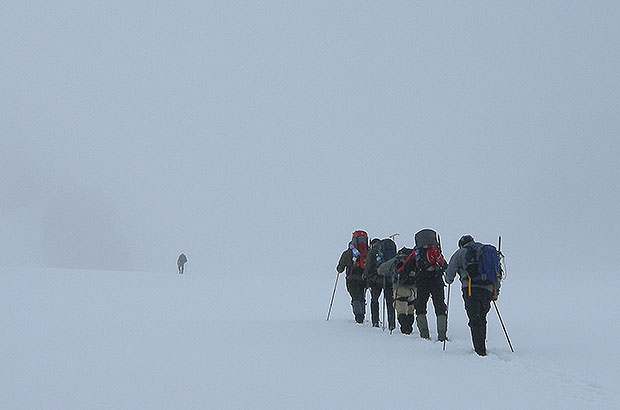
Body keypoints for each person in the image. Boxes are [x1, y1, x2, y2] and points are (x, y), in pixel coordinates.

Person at [445, 235, 499, 356]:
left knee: (474, 319)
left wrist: (448, 279)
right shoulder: (486, 252)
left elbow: (449, 274)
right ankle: (482, 346)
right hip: (488, 289)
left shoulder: (461, 253)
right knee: (482, 317)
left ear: (461, 244)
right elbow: (496, 273)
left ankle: (479, 350)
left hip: (470, 288)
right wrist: (496, 292)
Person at [398, 229, 448, 341]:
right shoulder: (436, 251)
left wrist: (400, 276)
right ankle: (442, 335)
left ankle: (424, 334)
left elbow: (405, 268)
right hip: (437, 281)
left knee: (420, 307)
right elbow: (445, 265)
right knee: (440, 306)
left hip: (422, 281)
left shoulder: (416, 253)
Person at [336, 231, 369, 324]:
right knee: (362, 296)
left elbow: (340, 268)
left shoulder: (348, 253)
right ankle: (362, 315)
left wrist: (339, 268)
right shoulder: (367, 252)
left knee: (355, 297)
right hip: (364, 278)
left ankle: (359, 316)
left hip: (351, 278)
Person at [363, 238, 396, 330]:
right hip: (389, 280)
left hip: (376, 280)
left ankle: (375, 322)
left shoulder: (372, 252)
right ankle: (392, 324)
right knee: (390, 302)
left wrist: (365, 276)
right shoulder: (388, 251)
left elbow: (368, 266)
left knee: (374, 300)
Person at [391, 247, 416, 334]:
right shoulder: (414, 259)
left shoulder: (397, 260)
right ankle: (409, 327)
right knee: (410, 308)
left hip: (399, 287)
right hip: (412, 288)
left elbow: (382, 269)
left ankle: (405, 329)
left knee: (401, 308)